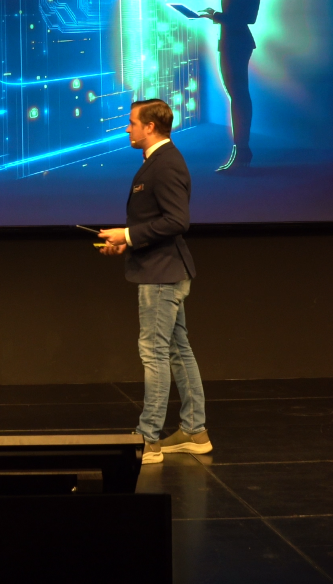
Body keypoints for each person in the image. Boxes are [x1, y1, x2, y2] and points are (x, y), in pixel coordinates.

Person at [98, 100, 212, 464]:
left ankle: (148, 439)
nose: (127, 128)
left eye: (132, 123)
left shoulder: (166, 164)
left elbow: (177, 221)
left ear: (149, 127)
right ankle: (194, 431)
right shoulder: (158, 161)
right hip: (162, 269)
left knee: (154, 352)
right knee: (177, 349)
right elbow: (158, 221)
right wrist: (126, 243)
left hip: (162, 275)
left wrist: (129, 235)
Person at [200, 0, 290, 171]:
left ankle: (242, 151)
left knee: (238, 96)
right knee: (238, 95)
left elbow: (248, 17)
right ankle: (241, 150)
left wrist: (216, 16)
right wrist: (216, 15)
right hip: (233, 41)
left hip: (236, 42)